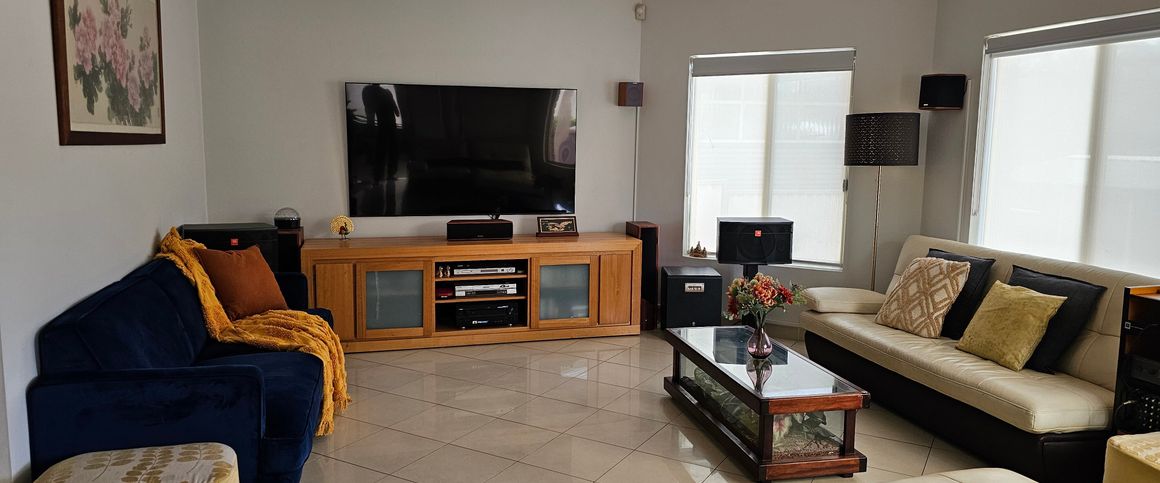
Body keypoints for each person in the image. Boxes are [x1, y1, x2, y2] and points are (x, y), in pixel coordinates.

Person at [361, 84, 401, 181]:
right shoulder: (386, 93)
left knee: (381, 151)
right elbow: (397, 112)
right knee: (391, 150)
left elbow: (370, 112)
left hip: (382, 126)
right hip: (390, 126)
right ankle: (388, 174)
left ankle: (378, 176)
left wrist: (370, 126)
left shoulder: (369, 91)